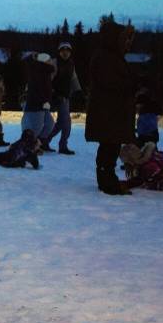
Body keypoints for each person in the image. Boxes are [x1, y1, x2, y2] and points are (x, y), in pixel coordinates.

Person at [85, 20, 136, 196]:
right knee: (109, 148)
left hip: (111, 113)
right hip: (108, 113)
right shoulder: (105, 57)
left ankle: (107, 180)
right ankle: (107, 182)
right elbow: (111, 83)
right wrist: (131, 85)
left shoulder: (111, 56)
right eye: (125, 39)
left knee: (110, 147)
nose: (128, 43)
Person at [45, 41, 81, 154]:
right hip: (54, 96)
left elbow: (73, 79)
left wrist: (79, 91)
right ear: (59, 52)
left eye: (67, 51)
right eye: (62, 51)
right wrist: (50, 92)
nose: (65, 53)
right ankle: (59, 144)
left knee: (63, 122)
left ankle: (46, 141)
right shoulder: (54, 63)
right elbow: (48, 79)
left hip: (65, 96)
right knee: (65, 122)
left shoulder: (71, 64)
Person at [20, 52, 55, 150]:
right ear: (45, 61)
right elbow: (37, 89)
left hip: (43, 104)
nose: (51, 62)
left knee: (49, 124)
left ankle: (39, 143)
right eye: (49, 60)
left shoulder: (45, 71)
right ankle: (27, 146)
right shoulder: (38, 72)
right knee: (35, 128)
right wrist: (44, 101)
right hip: (36, 104)